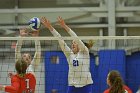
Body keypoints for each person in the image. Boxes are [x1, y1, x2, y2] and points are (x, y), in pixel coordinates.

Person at [41, 16, 93, 93]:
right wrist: (50, 27)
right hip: (72, 86)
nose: (73, 44)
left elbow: (76, 38)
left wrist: (64, 26)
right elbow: (60, 39)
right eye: (72, 43)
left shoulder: (84, 52)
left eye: (74, 43)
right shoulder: (69, 54)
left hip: (86, 85)